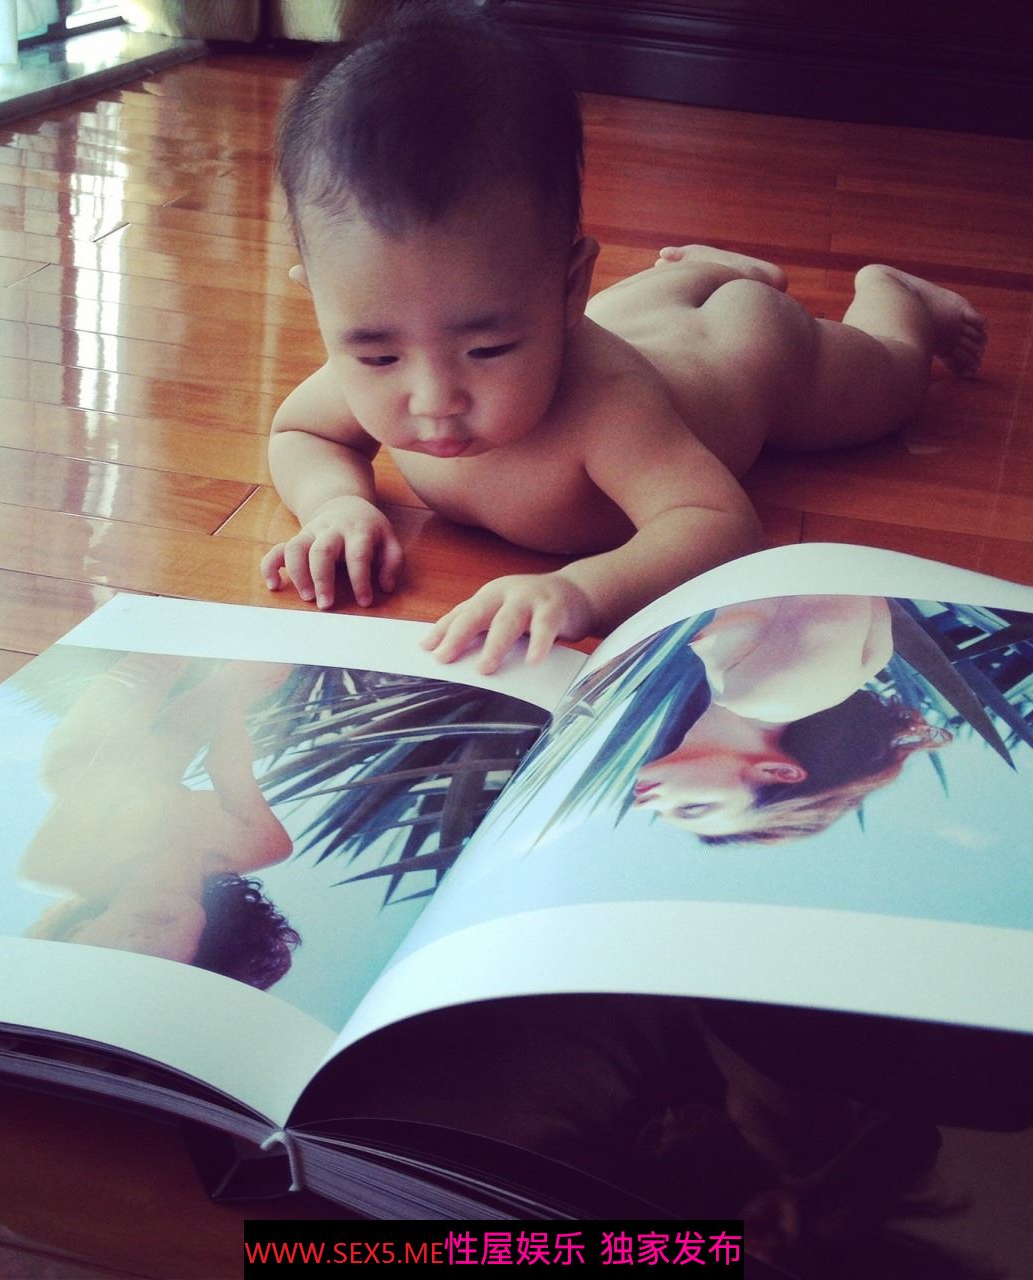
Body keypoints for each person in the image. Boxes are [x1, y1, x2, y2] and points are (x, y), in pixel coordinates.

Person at [259, 9, 988, 674]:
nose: (433, 398)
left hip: (741, 351)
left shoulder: (608, 405)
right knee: (635, 308)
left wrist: (582, 590)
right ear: (320, 301)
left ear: (568, 291)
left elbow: (717, 524)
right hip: (634, 312)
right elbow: (301, 432)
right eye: (379, 356)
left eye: (488, 349)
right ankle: (700, 268)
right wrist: (336, 505)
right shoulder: (404, 342)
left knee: (888, 384)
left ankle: (893, 295)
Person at [21, 654, 301, 989]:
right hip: (156, 764)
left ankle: (159, 672)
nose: (136, 942)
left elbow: (108, 765)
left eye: (108, 954)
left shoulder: (53, 866)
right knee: (169, 748)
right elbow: (228, 766)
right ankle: (219, 681)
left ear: (76, 933)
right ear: (207, 957)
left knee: (69, 771)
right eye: (153, 965)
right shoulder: (262, 845)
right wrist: (232, 694)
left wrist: (151, 683)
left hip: (94, 759)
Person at [631, 597, 949, 843]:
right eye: (692, 807)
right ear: (777, 772)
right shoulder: (775, 694)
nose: (641, 806)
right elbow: (827, 556)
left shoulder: (747, 693)